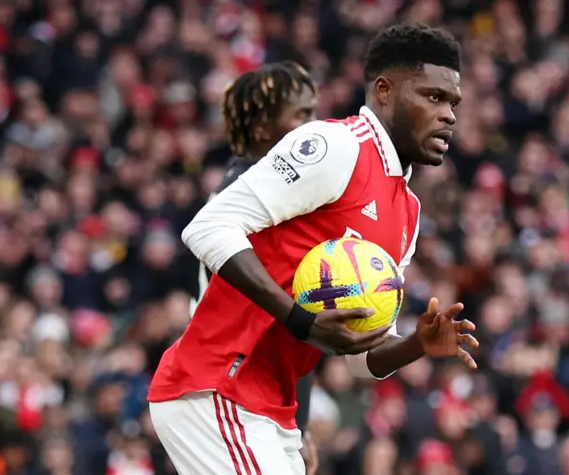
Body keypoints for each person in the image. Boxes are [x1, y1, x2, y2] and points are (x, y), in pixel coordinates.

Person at [148, 23, 478, 475]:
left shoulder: (409, 212)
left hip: (272, 408)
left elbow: (357, 356)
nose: (449, 115)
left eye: (452, 103)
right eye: (433, 97)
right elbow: (208, 226)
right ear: (384, 90)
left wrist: (416, 346)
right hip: (218, 387)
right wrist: (299, 319)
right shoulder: (335, 146)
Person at [189, 61, 320, 474]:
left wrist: (299, 427)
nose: (314, 127)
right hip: (233, 388)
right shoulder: (248, 200)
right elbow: (288, 320)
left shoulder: (265, 189)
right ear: (263, 128)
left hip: (256, 390)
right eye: (302, 115)